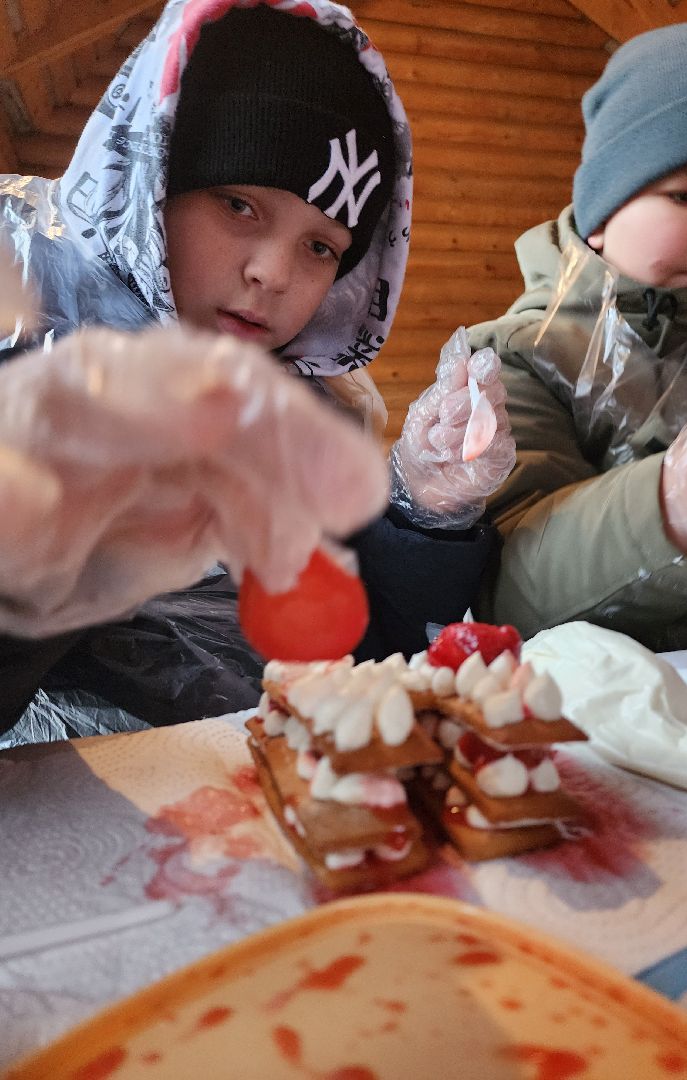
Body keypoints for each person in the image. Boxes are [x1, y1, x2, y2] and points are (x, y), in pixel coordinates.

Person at [0, 0, 513, 741]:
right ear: (152, 181)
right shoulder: (22, 331)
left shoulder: (312, 408)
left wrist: (421, 513)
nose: (273, 272)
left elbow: (365, 658)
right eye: (237, 204)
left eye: (320, 247)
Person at [467, 22, 687, 653]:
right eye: (686, 193)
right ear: (601, 213)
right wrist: (680, 503)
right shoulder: (514, 361)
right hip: (620, 726)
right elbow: (508, 589)